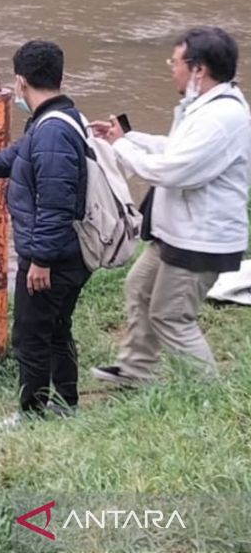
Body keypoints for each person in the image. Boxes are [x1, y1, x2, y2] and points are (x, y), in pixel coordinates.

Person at [90, 27, 251, 385]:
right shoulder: (204, 107)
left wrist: (121, 148)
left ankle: (207, 395)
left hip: (200, 238)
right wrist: (130, 138)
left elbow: (173, 171)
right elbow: (175, 149)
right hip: (176, 231)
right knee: (139, 288)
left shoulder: (220, 118)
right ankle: (136, 370)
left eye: (174, 62)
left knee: (171, 315)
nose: (170, 69)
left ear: (198, 69)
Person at [0, 41, 91, 425]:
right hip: (65, 253)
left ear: (20, 82)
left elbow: (54, 203)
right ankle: (65, 405)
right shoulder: (59, 117)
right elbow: (21, 153)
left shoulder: (50, 132)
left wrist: (41, 261)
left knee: (31, 336)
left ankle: (32, 415)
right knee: (55, 329)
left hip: (53, 257)